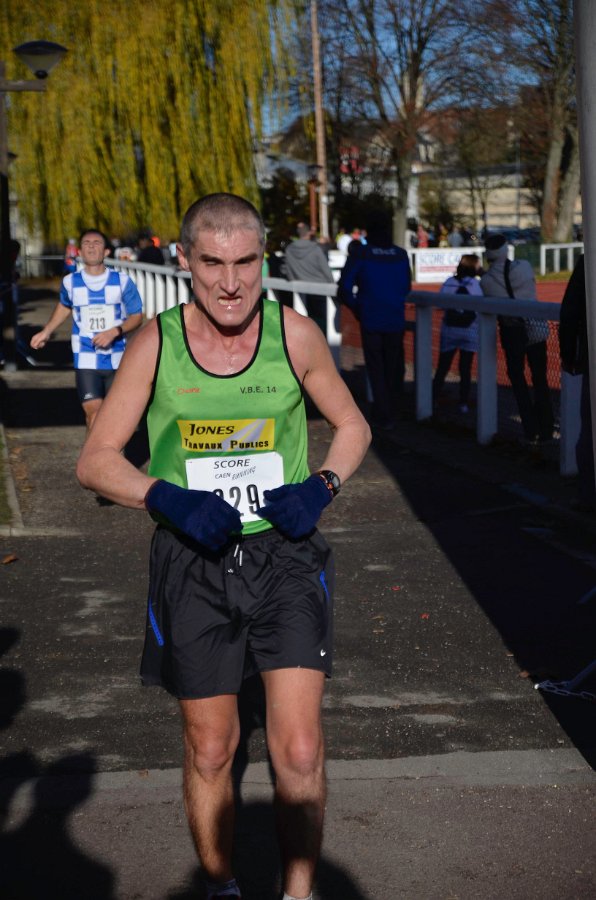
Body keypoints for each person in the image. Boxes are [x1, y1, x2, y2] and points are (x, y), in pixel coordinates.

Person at [76, 193, 371, 900]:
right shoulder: (157, 343)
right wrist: (164, 497)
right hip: (194, 563)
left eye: (246, 263)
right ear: (185, 261)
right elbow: (96, 460)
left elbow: (353, 426)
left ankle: (298, 894)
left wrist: (323, 485)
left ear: (263, 259)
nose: (231, 283)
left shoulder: (293, 334)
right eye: (213, 264)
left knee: (299, 746)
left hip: (285, 556)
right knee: (212, 748)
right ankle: (222, 888)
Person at [30, 229, 143, 432]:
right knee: (94, 415)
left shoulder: (122, 281)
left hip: (117, 358)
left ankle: (112, 452)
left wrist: (115, 331)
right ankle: (95, 454)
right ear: (80, 252)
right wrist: (46, 331)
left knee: (116, 419)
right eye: (86, 243)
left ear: (106, 251)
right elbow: (65, 306)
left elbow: (136, 316)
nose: (91, 246)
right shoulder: (70, 282)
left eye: (97, 242)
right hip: (85, 357)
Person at [338, 212, 411, 430]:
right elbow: (406, 286)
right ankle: (394, 411)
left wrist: (358, 308)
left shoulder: (361, 254)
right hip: (395, 318)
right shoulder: (400, 254)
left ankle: (382, 413)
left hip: (371, 318)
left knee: (376, 367)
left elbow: (344, 288)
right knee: (394, 366)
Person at [480, 233, 553, 443]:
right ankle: (546, 427)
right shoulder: (524, 267)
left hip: (511, 332)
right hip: (535, 326)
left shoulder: (486, 281)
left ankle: (530, 428)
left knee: (517, 378)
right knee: (540, 378)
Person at [559, 254, 595, 511]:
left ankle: (588, 496)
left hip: (592, 358)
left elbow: (570, 311)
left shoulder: (589, 258)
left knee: (590, 430)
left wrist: (569, 354)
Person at [433, 254, 483, 414]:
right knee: (465, 369)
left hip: (449, 331)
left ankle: (432, 400)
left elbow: (440, 303)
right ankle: (463, 403)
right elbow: (481, 305)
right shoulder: (476, 284)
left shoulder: (449, 282)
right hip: (470, 332)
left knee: (443, 367)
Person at [282, 222, 335, 333]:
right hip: (321, 290)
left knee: (307, 321)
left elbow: (288, 272)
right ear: (309, 232)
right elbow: (326, 270)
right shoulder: (316, 249)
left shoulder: (289, 249)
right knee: (322, 321)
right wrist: (333, 285)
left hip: (301, 291)